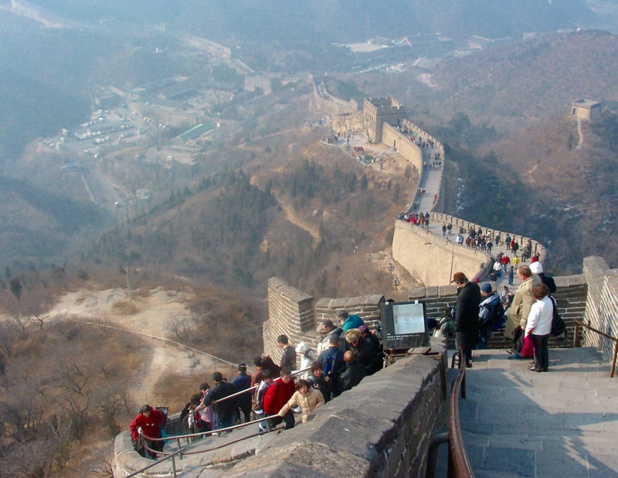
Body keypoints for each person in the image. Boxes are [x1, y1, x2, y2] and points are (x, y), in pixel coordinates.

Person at [505, 265, 542, 354]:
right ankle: (518, 349)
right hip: (522, 312)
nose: (518, 277)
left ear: (522, 276)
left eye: (518, 275)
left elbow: (528, 306)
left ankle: (518, 350)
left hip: (520, 315)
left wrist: (524, 321)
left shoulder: (527, 288)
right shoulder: (536, 278)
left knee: (518, 333)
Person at [452, 272, 481, 368]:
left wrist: (456, 327)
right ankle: (468, 359)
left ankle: (464, 365)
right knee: (469, 344)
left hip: (464, 325)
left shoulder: (462, 295)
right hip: (473, 320)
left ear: (458, 283)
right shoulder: (475, 287)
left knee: (462, 346)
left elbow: (459, 312)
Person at [525, 284, 553, 372]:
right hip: (547, 329)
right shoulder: (550, 301)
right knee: (544, 348)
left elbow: (532, 321)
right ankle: (545, 366)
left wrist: (527, 332)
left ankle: (537, 366)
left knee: (537, 349)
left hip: (538, 332)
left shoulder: (537, 306)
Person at [478, 283, 502, 349]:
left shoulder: (487, 305)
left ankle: (482, 356)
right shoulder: (495, 299)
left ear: (485, 292)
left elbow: (480, 320)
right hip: (490, 326)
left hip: (484, 328)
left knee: (481, 344)